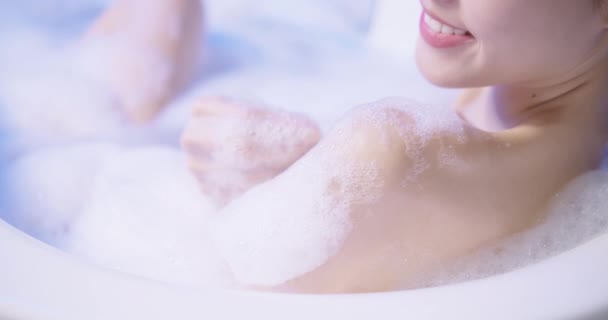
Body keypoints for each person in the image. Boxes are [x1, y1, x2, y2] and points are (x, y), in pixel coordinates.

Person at [181, 0, 608, 293]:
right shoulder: (529, 84)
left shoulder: (392, 155)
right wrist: (309, 158)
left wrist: (277, 177)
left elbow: (222, 295)